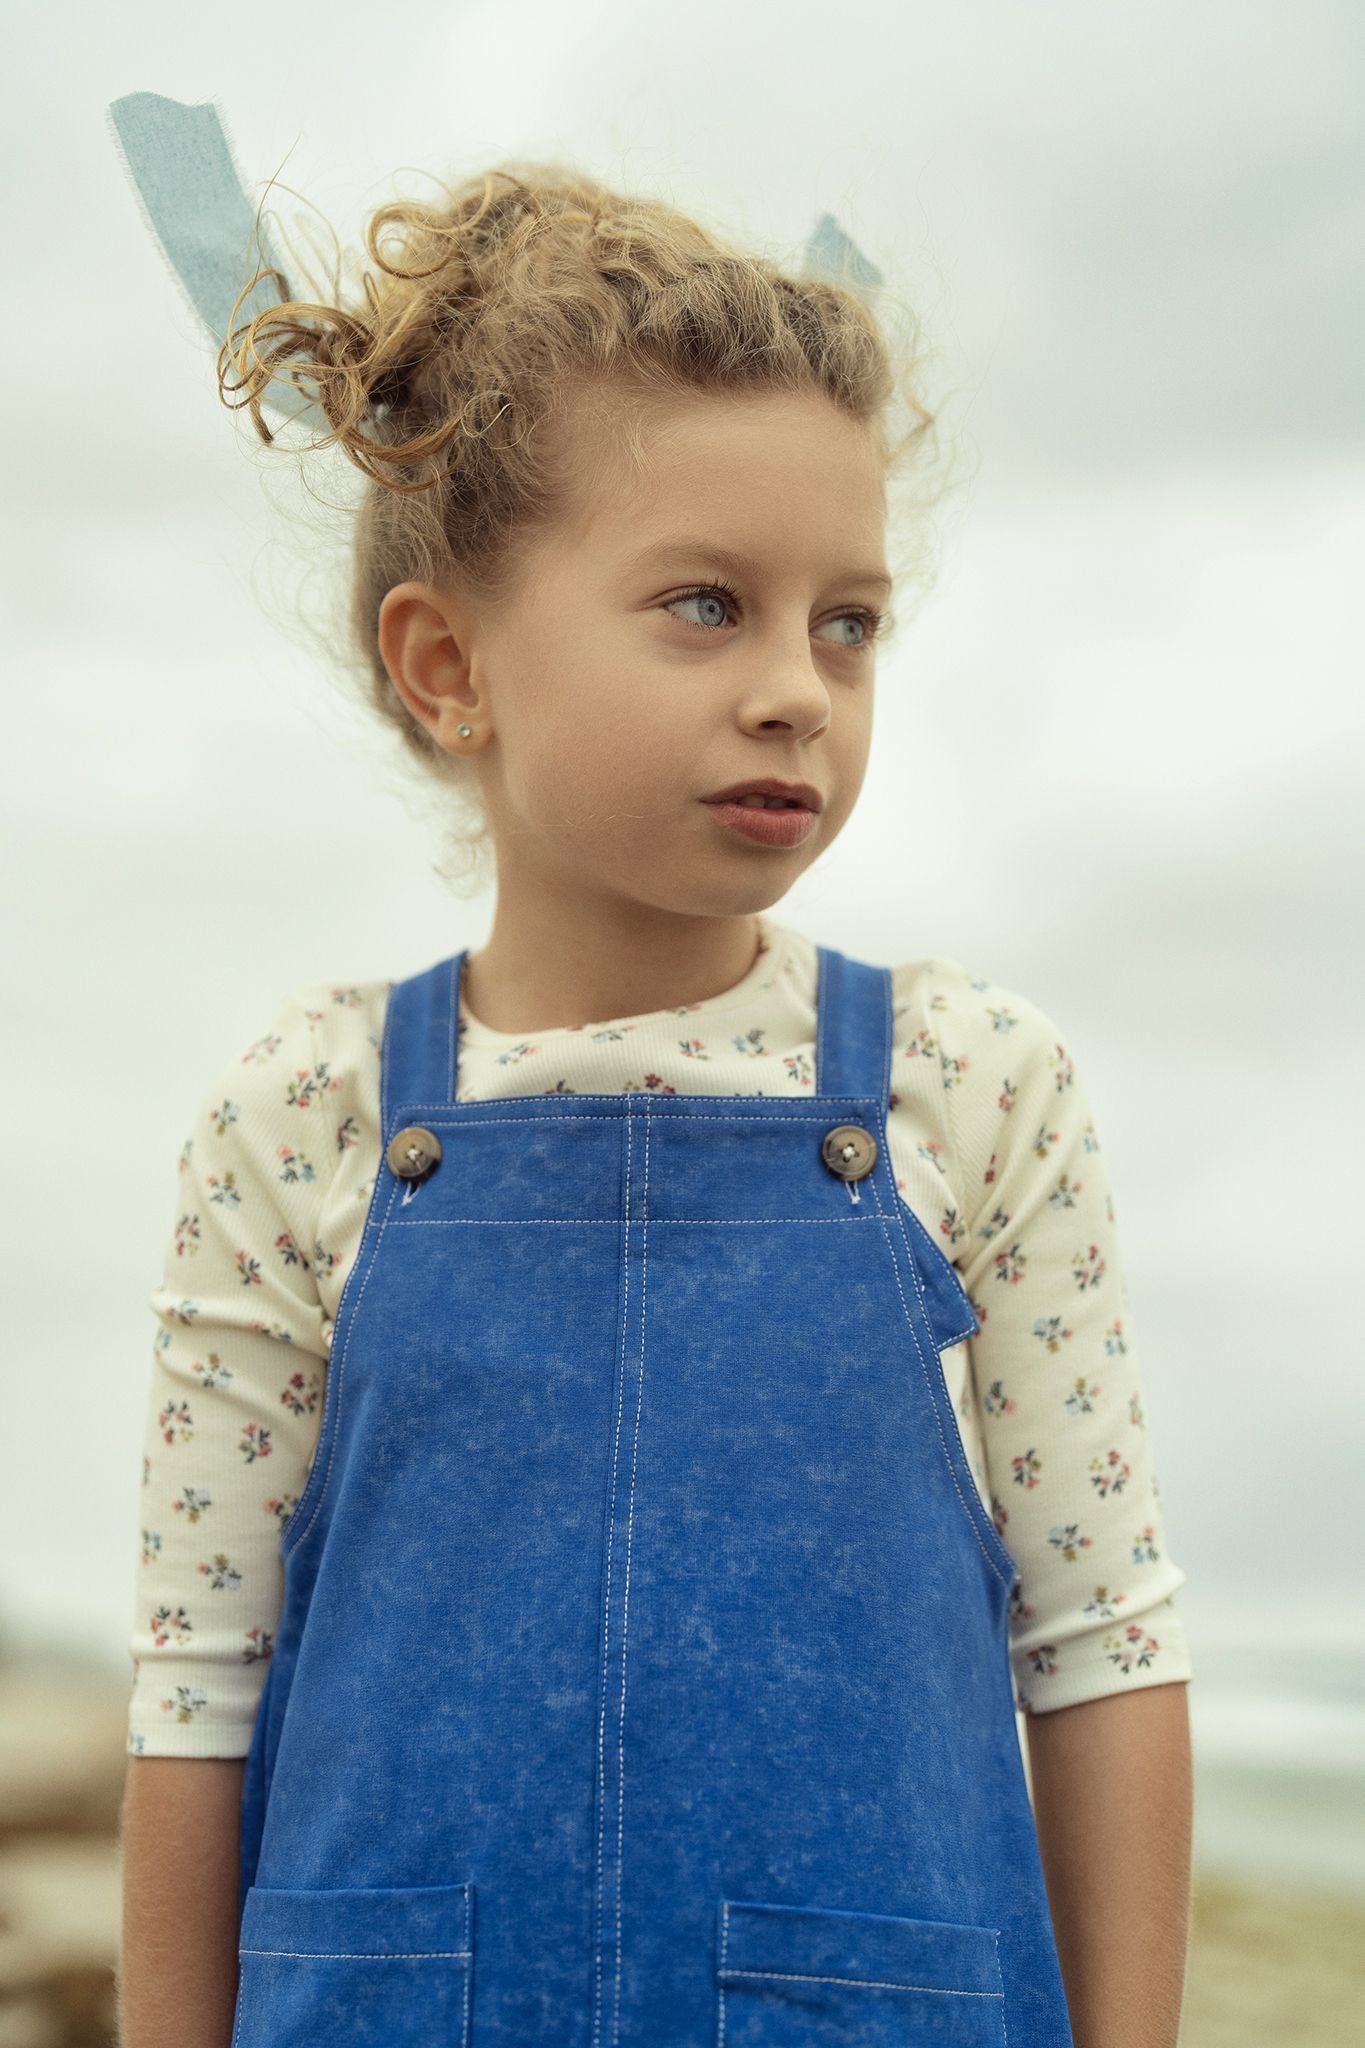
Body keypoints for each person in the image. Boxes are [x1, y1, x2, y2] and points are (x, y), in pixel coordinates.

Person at [116, 127, 1193, 2048]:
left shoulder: (972, 1090)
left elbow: (1099, 1641)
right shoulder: (303, 1117)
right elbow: (201, 1691)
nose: (796, 685)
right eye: (707, 604)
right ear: (450, 665)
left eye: (844, 620)